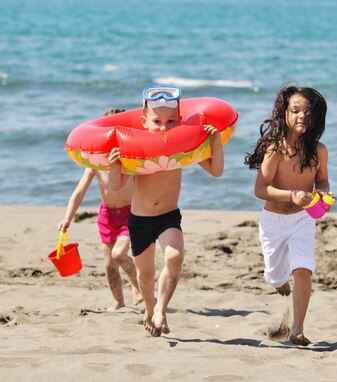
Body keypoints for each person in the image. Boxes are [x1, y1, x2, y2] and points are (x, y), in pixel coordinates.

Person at [109, 86, 224, 336]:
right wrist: (115, 166)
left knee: (174, 257)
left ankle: (161, 308)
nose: (164, 127)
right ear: (144, 121)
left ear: (180, 120)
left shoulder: (183, 149)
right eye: (157, 121)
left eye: (171, 121)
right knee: (146, 274)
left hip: (168, 217)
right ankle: (150, 309)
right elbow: (117, 186)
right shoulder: (136, 151)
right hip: (140, 221)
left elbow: (216, 171)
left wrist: (215, 142)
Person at [244, 85, 331, 346]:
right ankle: (279, 281)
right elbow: (260, 189)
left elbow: (323, 181)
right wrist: (292, 195)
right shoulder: (275, 149)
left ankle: (298, 329)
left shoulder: (319, 151)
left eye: (308, 111)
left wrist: (323, 196)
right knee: (274, 275)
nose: (302, 116)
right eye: (295, 110)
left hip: (303, 220)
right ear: (284, 114)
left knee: (303, 269)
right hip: (274, 221)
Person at [58, 108, 142, 312]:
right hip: (107, 215)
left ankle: (138, 287)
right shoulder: (96, 162)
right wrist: (68, 218)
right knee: (109, 262)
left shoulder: (132, 160)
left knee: (119, 253)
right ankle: (118, 301)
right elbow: (79, 191)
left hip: (129, 214)